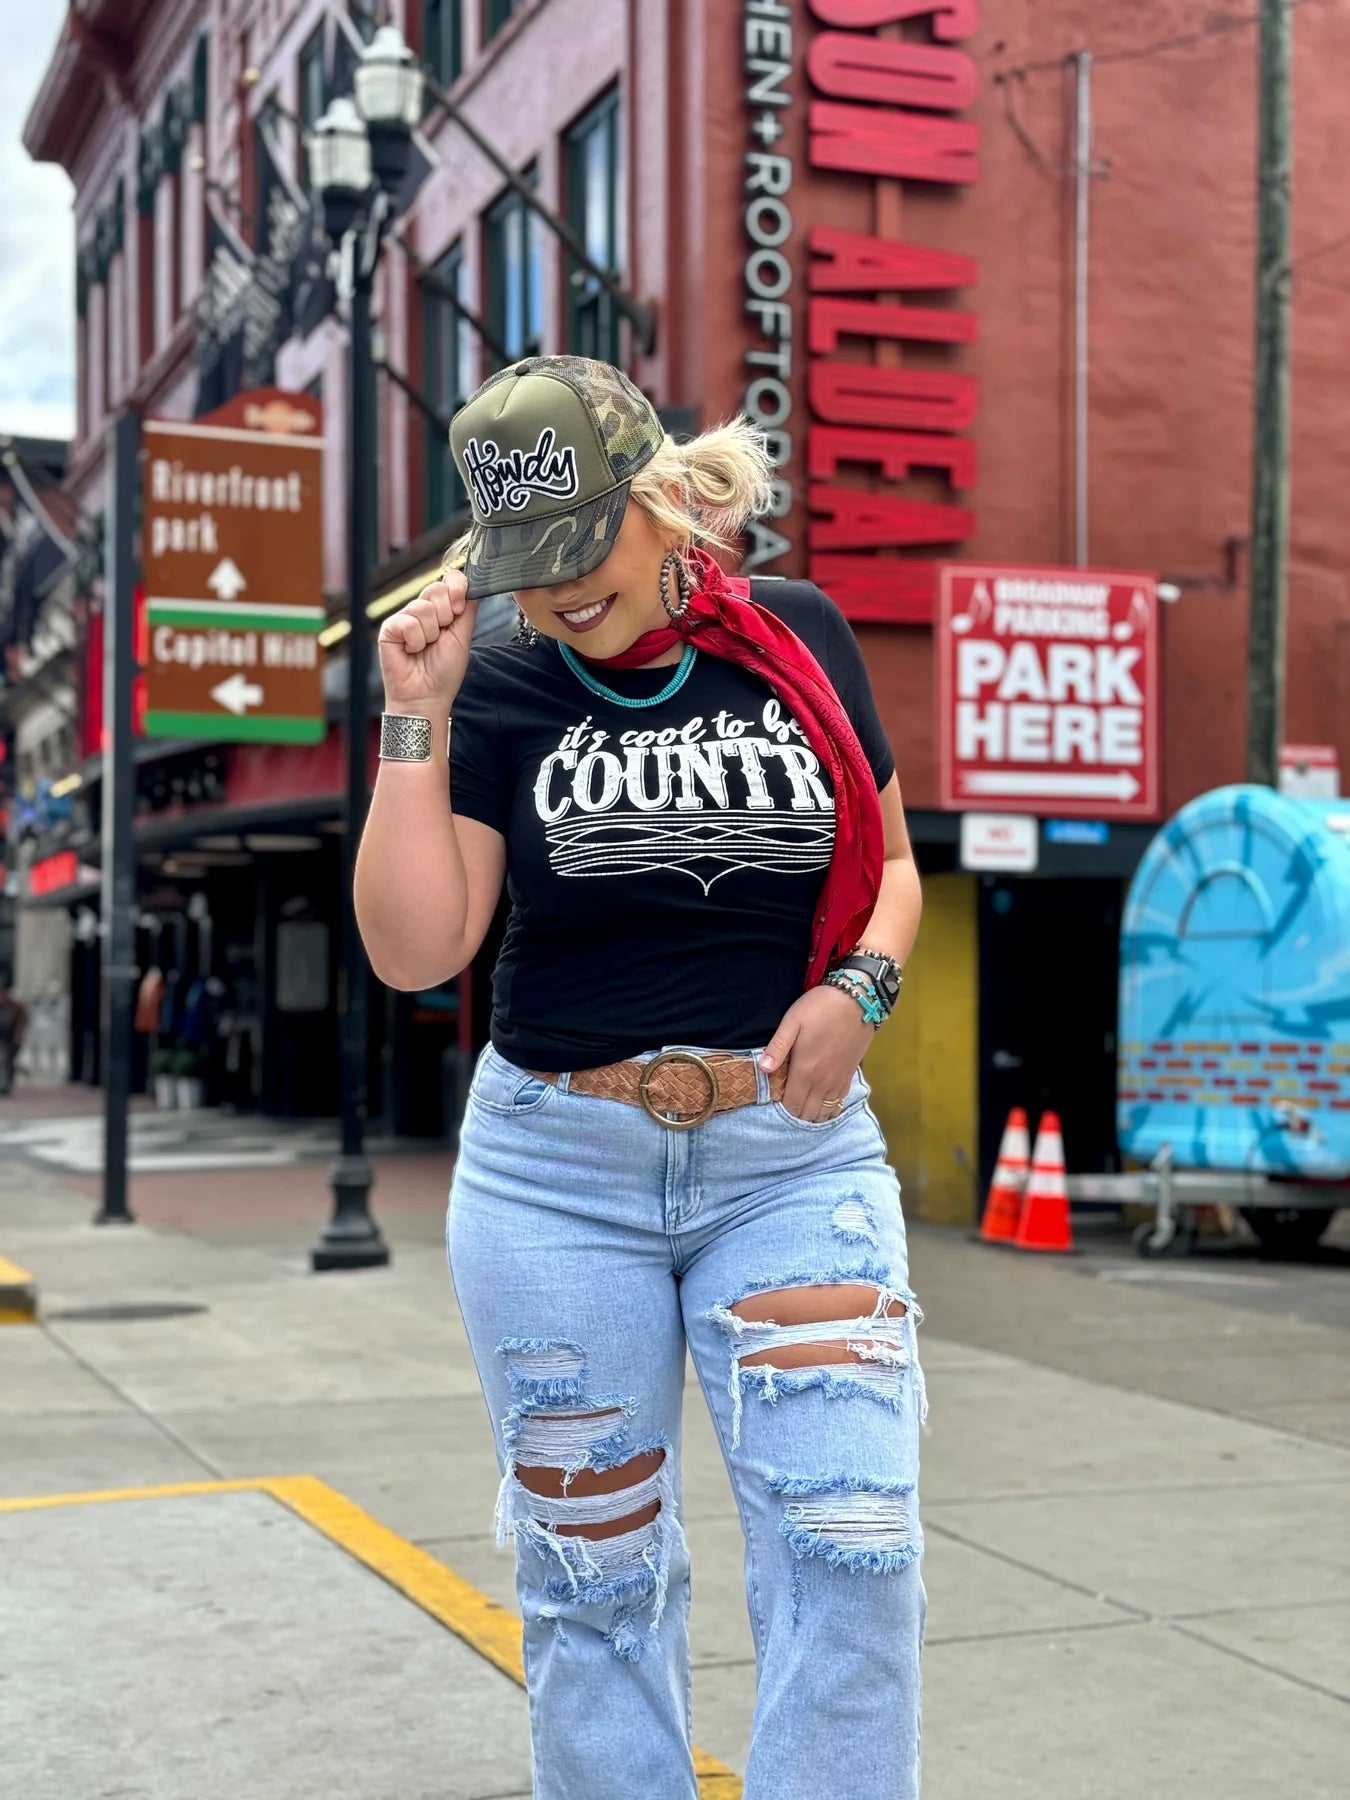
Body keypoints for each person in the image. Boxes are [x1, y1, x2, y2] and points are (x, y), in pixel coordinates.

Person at [356, 355, 927, 1800]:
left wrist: (859, 990)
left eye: (579, 546)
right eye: (526, 563)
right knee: (591, 1581)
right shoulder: (496, 683)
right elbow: (417, 950)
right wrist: (414, 717)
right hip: (557, 1172)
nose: (556, 591)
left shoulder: (799, 635)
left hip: (790, 1156)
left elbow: (895, 868)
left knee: (850, 1545)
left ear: (658, 496)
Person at [0, 977, 28, 1095]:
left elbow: (22, 1021)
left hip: (10, 1038)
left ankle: (6, 1084)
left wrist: (18, 1034)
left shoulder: (15, 1007)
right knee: (2, 1061)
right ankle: (3, 1084)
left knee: (7, 1062)